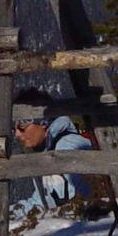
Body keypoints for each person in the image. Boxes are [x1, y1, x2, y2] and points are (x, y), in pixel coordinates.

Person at [9, 88, 95, 217]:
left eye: (22, 127)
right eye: (14, 128)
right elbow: (40, 202)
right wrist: (6, 213)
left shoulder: (68, 148)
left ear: (42, 122)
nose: (17, 134)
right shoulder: (45, 151)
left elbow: (85, 201)